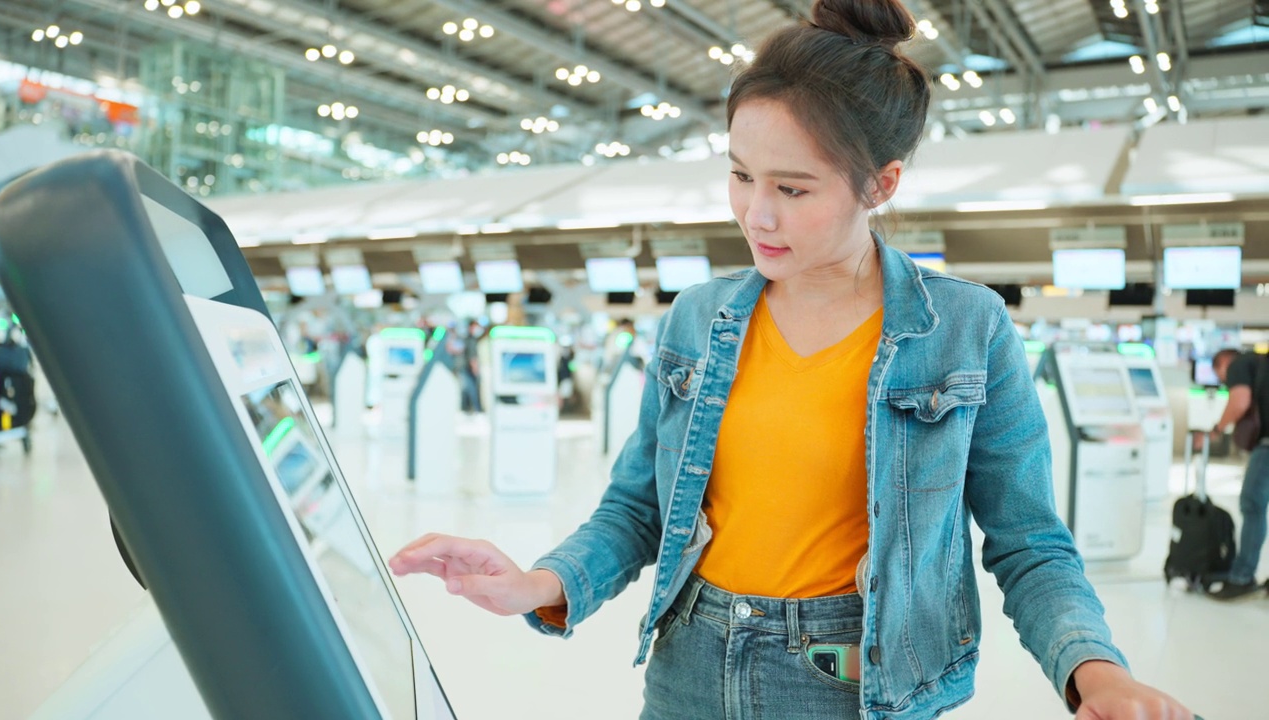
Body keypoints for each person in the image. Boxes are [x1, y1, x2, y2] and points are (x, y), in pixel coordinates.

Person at [389, 1, 1195, 717]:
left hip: (855, 684)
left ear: (879, 183)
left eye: (795, 189)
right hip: (688, 671)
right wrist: (539, 583)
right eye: (740, 176)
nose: (756, 213)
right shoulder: (698, 319)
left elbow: (1028, 542)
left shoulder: (966, 329)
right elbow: (639, 509)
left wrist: (1097, 673)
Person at [1208, 348, 1269, 600]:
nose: (1224, 380)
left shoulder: (1239, 364)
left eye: (1220, 375)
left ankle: (1242, 577)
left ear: (1223, 362)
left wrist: (1217, 429)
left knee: (1252, 503)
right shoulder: (1259, 363)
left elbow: (1240, 401)